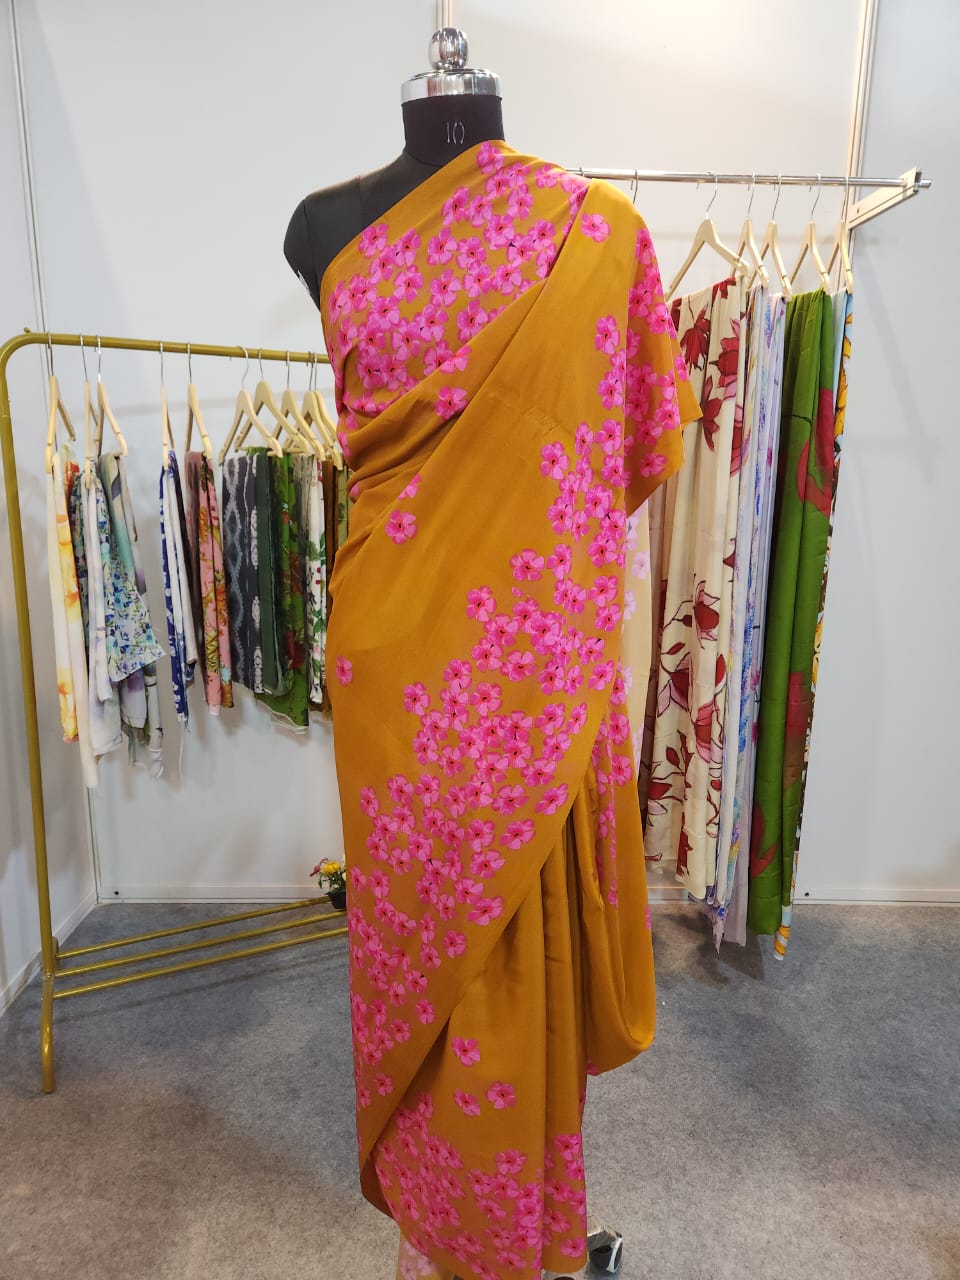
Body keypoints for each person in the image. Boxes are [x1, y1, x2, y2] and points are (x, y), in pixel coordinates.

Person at [284, 24, 699, 1280]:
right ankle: (454, 1234)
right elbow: (632, 455)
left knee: (511, 945)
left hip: (521, 673)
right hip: (417, 676)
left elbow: (624, 447)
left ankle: (497, 1232)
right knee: (430, 956)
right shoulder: (319, 226)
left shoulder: (604, 236)